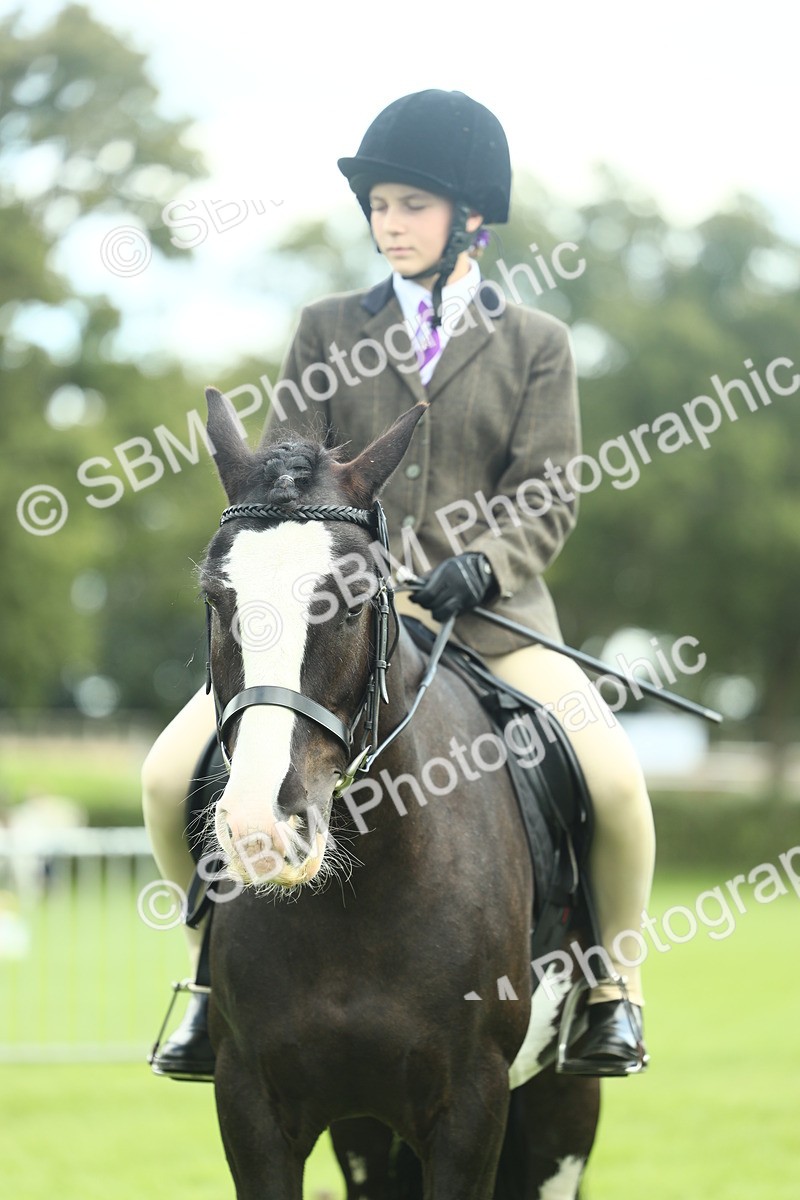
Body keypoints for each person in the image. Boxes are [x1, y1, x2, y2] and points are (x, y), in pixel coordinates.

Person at [143, 88, 655, 1081]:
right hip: (333, 630)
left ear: (469, 218)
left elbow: (549, 485)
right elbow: (287, 474)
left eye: (409, 205)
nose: (388, 223)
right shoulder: (327, 325)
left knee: (619, 786)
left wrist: (486, 562)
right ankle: (210, 980)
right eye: (377, 205)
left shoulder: (534, 342)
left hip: (495, 626)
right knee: (169, 777)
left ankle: (610, 992)